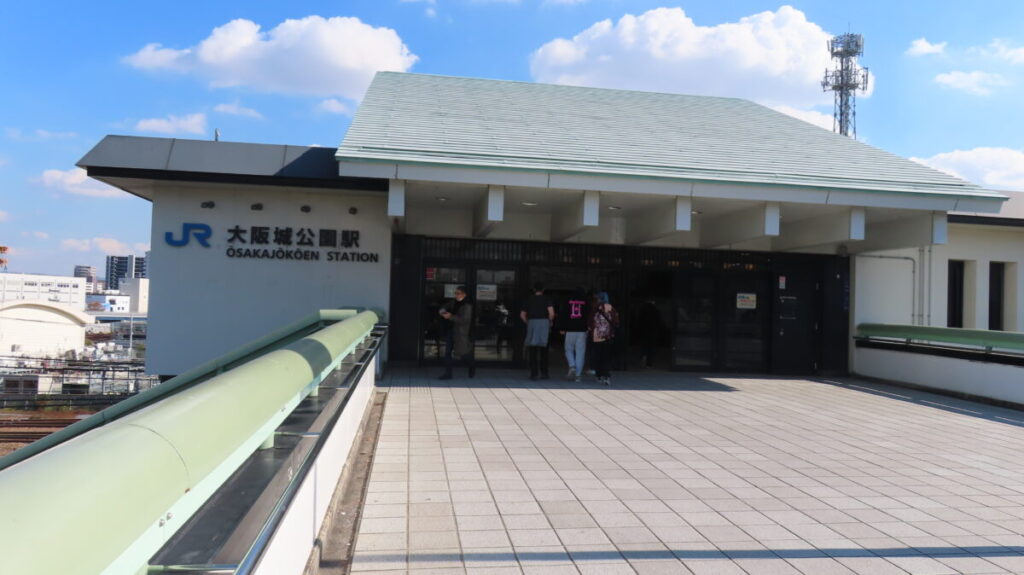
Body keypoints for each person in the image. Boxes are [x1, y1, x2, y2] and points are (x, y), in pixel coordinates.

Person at [520, 282, 555, 380]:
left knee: (533, 350)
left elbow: (522, 315)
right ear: (543, 289)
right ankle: (544, 373)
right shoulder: (547, 299)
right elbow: (551, 313)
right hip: (544, 323)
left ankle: (533, 374)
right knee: (544, 350)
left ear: (534, 290)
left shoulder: (529, 299)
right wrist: (550, 321)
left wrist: (528, 322)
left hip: (532, 323)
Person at [438, 286, 474, 380]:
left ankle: (471, 365)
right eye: (455, 293)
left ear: (464, 294)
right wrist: (442, 311)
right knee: (448, 352)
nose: (456, 295)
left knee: (463, 354)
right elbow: (444, 307)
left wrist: (450, 316)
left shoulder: (467, 306)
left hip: (460, 333)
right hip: (451, 331)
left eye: (458, 293)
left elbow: (464, 320)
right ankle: (448, 374)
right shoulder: (453, 302)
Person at [588, 292, 619, 386]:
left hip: (597, 336)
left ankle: (599, 375)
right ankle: (606, 376)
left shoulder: (595, 308)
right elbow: (616, 321)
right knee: (606, 357)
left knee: (598, 357)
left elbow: (590, 322)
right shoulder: (611, 308)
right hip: (608, 336)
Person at [559, 288, 589, 382]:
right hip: (582, 330)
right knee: (580, 352)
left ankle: (572, 365)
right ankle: (578, 376)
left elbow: (563, 314)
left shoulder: (568, 301)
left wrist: (562, 327)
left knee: (568, 349)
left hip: (570, 329)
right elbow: (589, 316)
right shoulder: (586, 302)